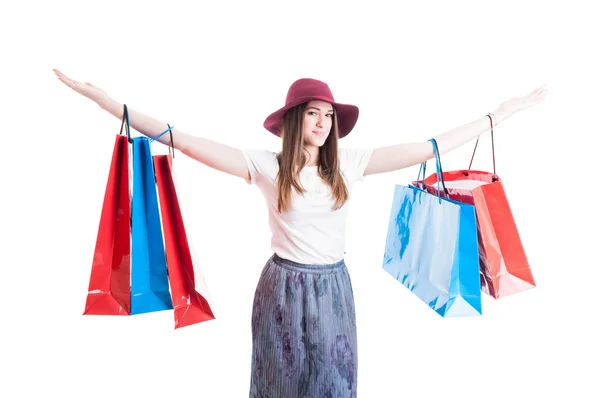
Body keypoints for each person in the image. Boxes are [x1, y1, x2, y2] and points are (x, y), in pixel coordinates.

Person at [53, 69, 547, 397]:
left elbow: (428, 147)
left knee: (333, 383)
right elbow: (184, 139)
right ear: (294, 120)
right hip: (282, 288)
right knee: (277, 383)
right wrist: (110, 104)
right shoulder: (266, 166)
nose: (323, 121)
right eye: (313, 112)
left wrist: (497, 115)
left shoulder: (350, 165)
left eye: (329, 115)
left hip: (333, 287)